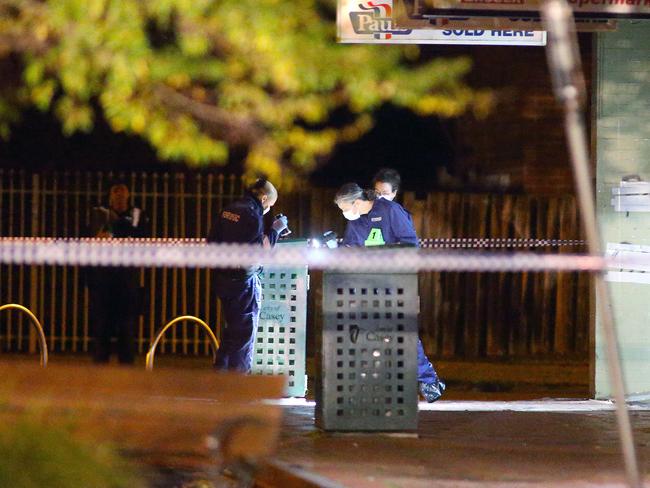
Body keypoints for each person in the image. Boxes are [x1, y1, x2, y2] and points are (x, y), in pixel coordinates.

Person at [335, 182, 445, 403]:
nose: (345, 213)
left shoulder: (390, 211)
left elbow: (410, 246)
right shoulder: (356, 222)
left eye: (345, 208)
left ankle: (428, 381)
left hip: (393, 283)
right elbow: (351, 248)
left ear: (356, 202)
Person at [207, 178, 288, 373]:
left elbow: (212, 241)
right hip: (242, 283)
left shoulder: (229, 209)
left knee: (231, 332)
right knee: (244, 336)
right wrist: (276, 230)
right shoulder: (253, 215)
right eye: (270, 204)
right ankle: (239, 388)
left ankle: (220, 379)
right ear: (264, 198)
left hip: (221, 279)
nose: (268, 208)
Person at [88, 181, 148, 364]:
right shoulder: (100, 213)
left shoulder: (137, 214)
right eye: (116, 193)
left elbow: (143, 239)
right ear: (110, 196)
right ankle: (99, 365)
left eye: (123, 193)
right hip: (104, 277)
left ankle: (127, 366)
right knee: (102, 325)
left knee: (127, 326)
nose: (120, 197)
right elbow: (93, 237)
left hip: (127, 277)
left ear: (128, 196)